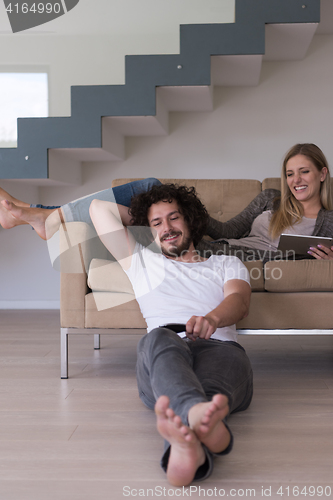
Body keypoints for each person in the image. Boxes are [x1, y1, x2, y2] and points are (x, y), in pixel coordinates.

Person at [88, 182, 253, 486]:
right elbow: (99, 209)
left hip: (220, 347)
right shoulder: (140, 260)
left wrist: (212, 318)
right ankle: (201, 424)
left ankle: (187, 445)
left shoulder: (226, 263)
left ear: (190, 219)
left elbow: (239, 302)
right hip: (164, 349)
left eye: (174, 217)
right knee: (159, 339)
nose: (167, 227)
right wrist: (142, 220)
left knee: (206, 390)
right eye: (157, 223)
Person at [1, 143, 333, 260]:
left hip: (217, 255)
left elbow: (281, 258)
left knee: (122, 227)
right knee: (152, 187)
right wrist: (185, 211)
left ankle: (41, 216)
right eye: (290, 173)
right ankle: (43, 217)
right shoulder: (271, 198)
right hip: (213, 241)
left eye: (304, 172)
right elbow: (230, 228)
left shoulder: (329, 222)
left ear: (322, 173)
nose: (296, 180)